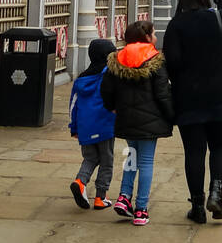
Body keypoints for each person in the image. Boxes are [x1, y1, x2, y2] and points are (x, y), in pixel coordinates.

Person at [163, 0, 222, 223]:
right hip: (221, 96)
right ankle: (217, 194)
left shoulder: (176, 25)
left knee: (194, 151)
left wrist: (183, 81)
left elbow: (172, 64)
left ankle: (197, 206)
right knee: (221, 147)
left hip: (188, 98)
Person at [100, 21, 173, 226]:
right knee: (146, 161)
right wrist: (171, 115)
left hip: (126, 118)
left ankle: (124, 197)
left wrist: (112, 106)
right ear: (147, 37)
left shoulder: (117, 59)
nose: (156, 38)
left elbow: (106, 89)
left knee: (131, 156)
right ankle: (141, 208)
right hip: (151, 121)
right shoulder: (155, 59)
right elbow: (162, 94)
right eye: (154, 34)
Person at [68, 38, 117, 210]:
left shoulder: (81, 78)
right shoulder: (110, 75)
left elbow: (73, 105)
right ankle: (100, 197)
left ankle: (80, 182)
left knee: (90, 157)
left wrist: (74, 128)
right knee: (106, 161)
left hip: (85, 127)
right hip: (105, 126)